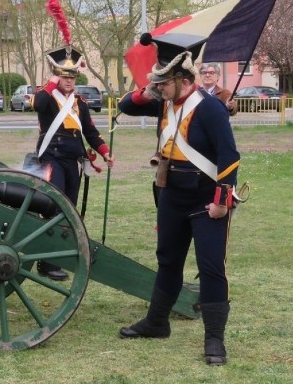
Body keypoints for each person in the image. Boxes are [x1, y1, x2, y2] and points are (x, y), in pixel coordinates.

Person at [117, 33, 240, 366]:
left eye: (164, 82)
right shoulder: (163, 100)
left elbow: (230, 158)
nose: (159, 87)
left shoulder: (211, 109)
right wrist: (149, 90)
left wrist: (222, 201)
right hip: (171, 193)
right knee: (168, 261)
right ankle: (157, 322)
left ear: (184, 80)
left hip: (205, 199)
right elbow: (125, 106)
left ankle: (215, 340)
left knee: (211, 267)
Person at [31, 46, 115, 281]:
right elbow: (37, 104)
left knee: (69, 209)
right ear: (57, 76)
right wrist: (50, 82)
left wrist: (105, 151)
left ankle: (57, 256)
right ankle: (46, 262)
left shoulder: (80, 102)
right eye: (65, 76)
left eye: (72, 76)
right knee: (54, 207)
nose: (69, 80)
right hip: (52, 158)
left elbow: (90, 131)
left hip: (72, 161)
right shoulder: (46, 96)